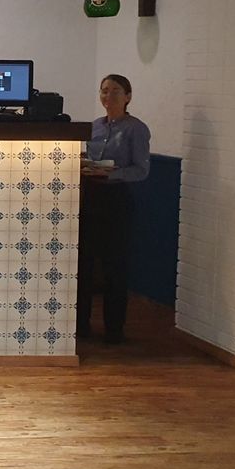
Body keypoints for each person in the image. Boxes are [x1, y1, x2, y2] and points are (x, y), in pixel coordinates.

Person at [78, 74, 150, 344]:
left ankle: (114, 330)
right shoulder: (95, 126)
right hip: (91, 196)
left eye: (116, 91)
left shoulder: (136, 129)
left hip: (117, 198)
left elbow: (141, 170)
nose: (109, 96)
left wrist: (112, 173)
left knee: (114, 266)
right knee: (84, 264)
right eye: (104, 91)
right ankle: (81, 326)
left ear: (128, 96)